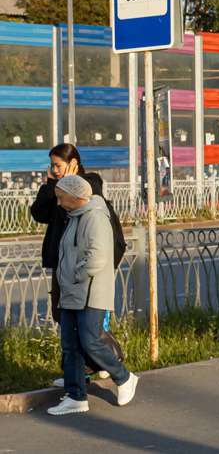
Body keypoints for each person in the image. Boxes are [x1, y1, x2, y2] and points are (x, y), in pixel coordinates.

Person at [31, 144, 126, 385]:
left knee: (88, 325)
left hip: (85, 265)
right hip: (64, 263)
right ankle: (77, 373)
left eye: (58, 166)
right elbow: (39, 213)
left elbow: (88, 198)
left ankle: (105, 364)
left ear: (73, 163)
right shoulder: (60, 190)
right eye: (52, 166)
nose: (55, 170)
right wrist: (53, 183)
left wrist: (69, 180)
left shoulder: (88, 183)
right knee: (64, 317)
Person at [48, 173, 137, 414]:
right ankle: (76, 396)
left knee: (90, 341)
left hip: (90, 292)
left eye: (61, 197)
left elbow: (97, 258)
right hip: (72, 292)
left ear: (77, 196)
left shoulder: (95, 217)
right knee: (70, 345)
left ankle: (124, 377)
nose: (59, 203)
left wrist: (74, 276)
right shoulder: (73, 217)